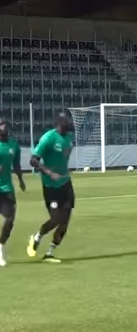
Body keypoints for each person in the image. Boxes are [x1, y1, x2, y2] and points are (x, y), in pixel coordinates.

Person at [26, 112, 75, 263]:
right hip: (50, 186)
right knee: (55, 219)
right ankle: (37, 237)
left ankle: (50, 252)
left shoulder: (69, 137)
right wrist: (49, 172)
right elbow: (33, 161)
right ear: (59, 123)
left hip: (65, 184)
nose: (68, 123)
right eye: (65, 121)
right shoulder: (48, 138)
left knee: (65, 220)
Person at [0, 118, 25, 267]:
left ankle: (1, 246)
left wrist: (21, 180)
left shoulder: (13, 145)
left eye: (5, 125)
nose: (4, 127)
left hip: (7, 189)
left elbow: (16, 164)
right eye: (1, 125)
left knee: (10, 220)